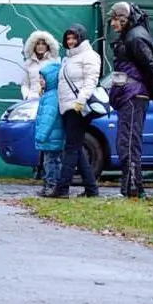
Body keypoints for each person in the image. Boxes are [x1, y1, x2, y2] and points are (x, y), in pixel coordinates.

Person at [109, 2, 153, 199]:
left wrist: (151, 87)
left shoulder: (135, 37)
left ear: (124, 18)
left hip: (133, 95)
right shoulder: (133, 35)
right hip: (130, 95)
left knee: (129, 142)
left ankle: (134, 189)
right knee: (126, 141)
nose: (113, 24)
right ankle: (129, 188)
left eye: (115, 19)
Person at [48, 24, 100, 198]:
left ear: (81, 38)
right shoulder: (68, 58)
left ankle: (62, 188)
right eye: (68, 38)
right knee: (76, 148)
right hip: (67, 107)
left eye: (74, 38)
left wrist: (80, 101)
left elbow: (91, 81)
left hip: (77, 107)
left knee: (71, 148)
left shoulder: (90, 56)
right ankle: (92, 189)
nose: (70, 41)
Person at [34, 62, 64, 196]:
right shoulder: (50, 94)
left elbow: (48, 119)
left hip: (51, 137)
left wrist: (41, 135)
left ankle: (51, 186)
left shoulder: (51, 97)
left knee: (50, 163)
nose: (40, 80)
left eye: (43, 78)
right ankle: (50, 185)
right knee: (52, 161)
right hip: (53, 137)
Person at [21, 31, 60, 100]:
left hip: (49, 100)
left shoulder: (54, 62)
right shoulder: (28, 63)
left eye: (43, 44)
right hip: (31, 101)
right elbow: (25, 84)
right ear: (33, 46)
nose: (40, 46)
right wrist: (26, 96)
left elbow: (58, 84)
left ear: (48, 46)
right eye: (38, 44)